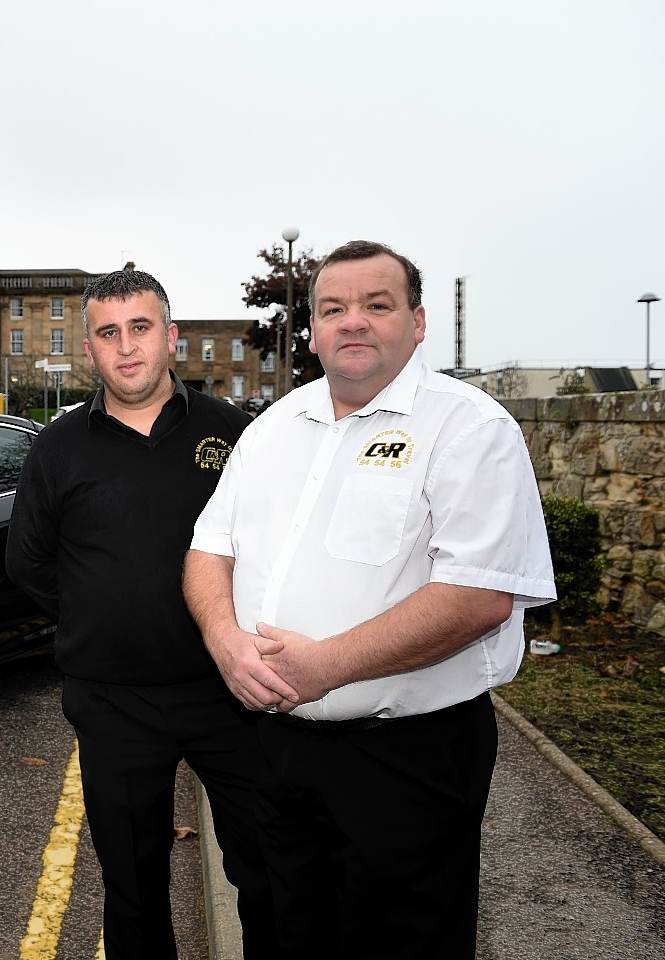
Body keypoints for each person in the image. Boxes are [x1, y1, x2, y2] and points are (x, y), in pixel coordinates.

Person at [183, 240, 556, 959]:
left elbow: (479, 596)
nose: (353, 321)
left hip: (406, 762)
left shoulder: (470, 429)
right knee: (290, 934)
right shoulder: (270, 430)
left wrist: (328, 666)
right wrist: (224, 640)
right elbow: (209, 550)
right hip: (278, 748)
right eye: (334, 309)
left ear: (417, 323)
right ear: (313, 330)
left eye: (376, 305)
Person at [6, 268, 278, 959]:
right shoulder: (58, 447)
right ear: (90, 350)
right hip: (114, 703)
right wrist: (102, 616)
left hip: (230, 693)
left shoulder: (236, 433)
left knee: (271, 869)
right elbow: (28, 562)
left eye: (140, 328)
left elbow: (274, 548)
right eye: (108, 333)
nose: (126, 347)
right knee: (132, 885)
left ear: (171, 338)